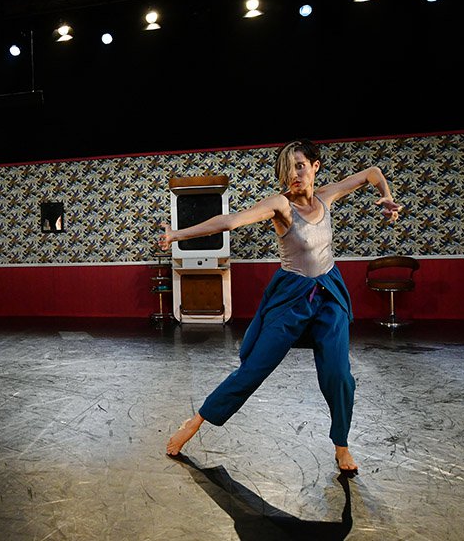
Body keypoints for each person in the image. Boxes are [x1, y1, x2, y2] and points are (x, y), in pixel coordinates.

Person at [160, 139, 402, 474]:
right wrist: (177, 235)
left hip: (329, 295)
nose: (294, 175)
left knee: (339, 375)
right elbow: (229, 222)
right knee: (253, 369)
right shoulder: (280, 205)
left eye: (300, 166)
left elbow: (372, 173)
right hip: (292, 297)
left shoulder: (326, 195)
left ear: (315, 166)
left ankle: (341, 445)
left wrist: (386, 195)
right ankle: (196, 421)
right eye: (287, 170)